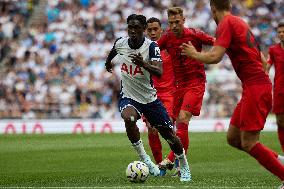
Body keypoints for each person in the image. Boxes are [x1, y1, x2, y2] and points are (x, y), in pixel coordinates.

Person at [180, 0, 284, 187]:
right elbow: (262, 60)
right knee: (234, 138)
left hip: (255, 87)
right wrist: (258, 80)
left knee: (249, 143)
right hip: (254, 87)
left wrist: (193, 54)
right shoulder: (239, 22)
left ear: (213, 9)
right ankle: (279, 161)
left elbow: (214, 56)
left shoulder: (226, 23)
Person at [105, 14, 191, 182]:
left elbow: (159, 72)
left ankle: (184, 164)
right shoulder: (121, 42)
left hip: (150, 100)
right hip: (129, 96)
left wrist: (143, 63)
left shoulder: (151, 47)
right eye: (130, 27)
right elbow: (114, 51)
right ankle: (145, 159)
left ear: (143, 29)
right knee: (129, 118)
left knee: (170, 136)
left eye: (137, 28)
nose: (133, 31)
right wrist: (108, 63)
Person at [156, 7, 215, 172]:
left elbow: (217, 43)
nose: (174, 26)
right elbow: (152, 50)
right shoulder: (167, 37)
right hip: (178, 86)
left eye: (177, 22)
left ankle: (169, 159)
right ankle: (182, 166)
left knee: (183, 118)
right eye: (171, 23)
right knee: (173, 125)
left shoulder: (195, 34)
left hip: (195, 83)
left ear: (183, 20)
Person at [145, 17, 175, 171]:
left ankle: (175, 160)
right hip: (150, 95)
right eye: (149, 30)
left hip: (170, 94)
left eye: (155, 29)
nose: (152, 32)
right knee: (151, 128)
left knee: (168, 127)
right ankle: (159, 166)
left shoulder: (169, 47)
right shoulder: (144, 49)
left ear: (161, 30)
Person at [266, 21, 284, 153]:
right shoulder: (273, 50)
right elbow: (267, 66)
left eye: (283, 32)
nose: (282, 34)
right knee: (280, 122)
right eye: (279, 32)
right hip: (279, 90)